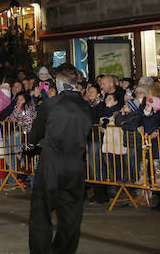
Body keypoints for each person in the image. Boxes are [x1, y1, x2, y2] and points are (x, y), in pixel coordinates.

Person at [27, 63, 92, 254]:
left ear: (60, 83)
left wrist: (30, 145)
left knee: (41, 212)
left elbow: (34, 135)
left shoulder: (50, 105)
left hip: (51, 166)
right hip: (75, 167)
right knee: (71, 216)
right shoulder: (86, 107)